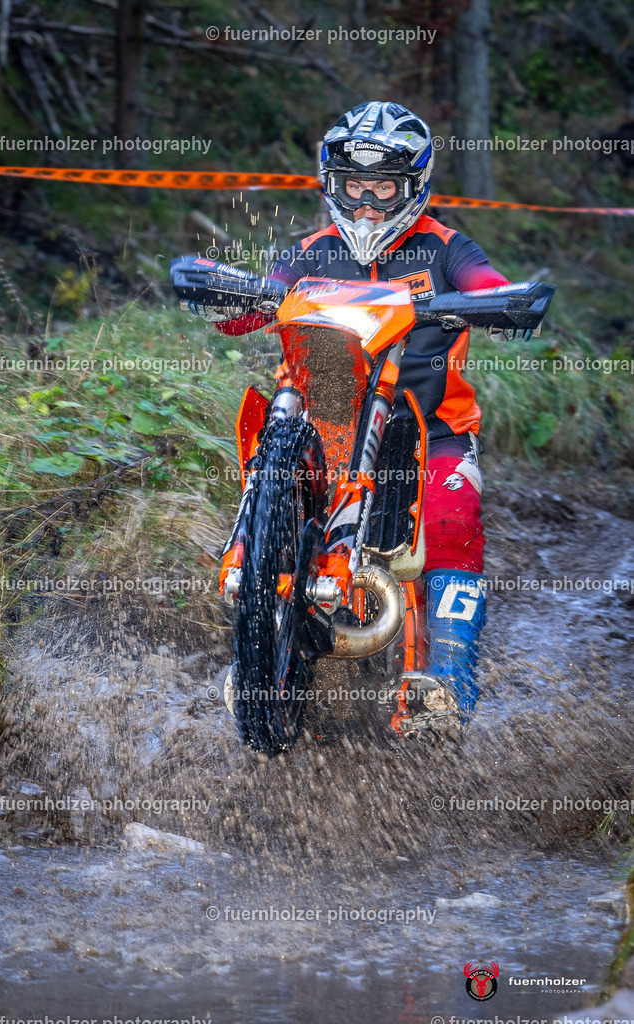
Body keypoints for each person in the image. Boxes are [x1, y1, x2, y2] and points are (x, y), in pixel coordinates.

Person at [184, 100, 510, 734]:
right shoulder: (310, 250)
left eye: (384, 186)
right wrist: (232, 293)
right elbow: (245, 313)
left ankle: (449, 682)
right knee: (267, 460)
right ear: (333, 183)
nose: (367, 202)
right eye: (355, 186)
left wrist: (499, 302)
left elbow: (490, 286)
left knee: (452, 517)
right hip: (324, 425)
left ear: (412, 186)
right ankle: (257, 639)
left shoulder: (445, 248)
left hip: (428, 429)